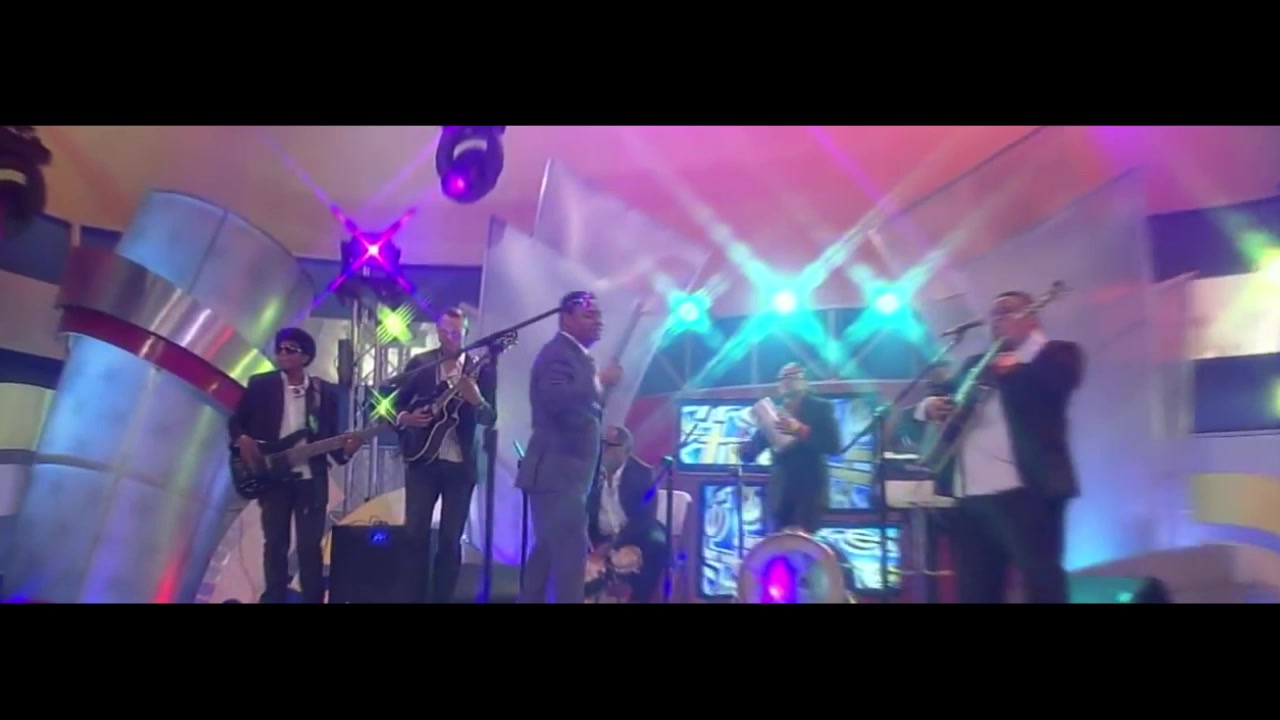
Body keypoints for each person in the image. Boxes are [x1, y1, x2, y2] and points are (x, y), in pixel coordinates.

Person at [914, 290, 1084, 603]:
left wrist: (1021, 355)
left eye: (1007, 311)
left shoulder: (1056, 354)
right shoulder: (976, 364)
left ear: (1031, 318)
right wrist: (930, 406)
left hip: (1025, 493)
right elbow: (940, 392)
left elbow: (1057, 382)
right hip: (971, 496)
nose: (998, 319)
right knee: (976, 590)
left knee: (1042, 583)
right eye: (994, 314)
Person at [228, 327, 363, 604]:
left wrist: (347, 452)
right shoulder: (261, 384)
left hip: (311, 479)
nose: (282, 354)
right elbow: (236, 421)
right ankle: (274, 598)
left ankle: (313, 598)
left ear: (305, 357)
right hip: (273, 475)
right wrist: (242, 439)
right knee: (275, 544)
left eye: (290, 350)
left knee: (309, 546)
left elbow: (331, 440)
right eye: (280, 349)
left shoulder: (323, 392)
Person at [516, 291, 623, 603]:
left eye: (599, 316)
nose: (598, 322)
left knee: (547, 555)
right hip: (557, 475)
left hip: (567, 478)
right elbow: (557, 399)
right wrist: (598, 383)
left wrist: (601, 388)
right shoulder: (557, 354)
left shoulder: (578, 357)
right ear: (566, 319)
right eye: (589, 315)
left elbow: (582, 410)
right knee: (568, 563)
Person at [394, 306, 497, 603]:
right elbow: (393, 404)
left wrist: (477, 400)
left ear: (466, 333)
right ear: (437, 332)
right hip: (422, 461)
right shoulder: (421, 364)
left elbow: (490, 417)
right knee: (415, 535)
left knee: (451, 540)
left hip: (460, 465)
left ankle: (443, 598)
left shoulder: (481, 369)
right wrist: (406, 418)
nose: (451, 338)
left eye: (457, 333)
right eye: (446, 332)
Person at [739, 363, 840, 533]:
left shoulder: (821, 408)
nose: (787, 382)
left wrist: (800, 430)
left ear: (805, 382)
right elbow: (755, 447)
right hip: (780, 493)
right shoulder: (774, 411)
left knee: (802, 544)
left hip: (809, 492)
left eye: (793, 377)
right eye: (783, 378)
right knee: (779, 543)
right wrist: (745, 449)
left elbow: (833, 444)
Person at [585, 425, 669, 603]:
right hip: (600, 538)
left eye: (609, 445)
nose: (602, 450)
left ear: (624, 450)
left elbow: (643, 520)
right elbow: (586, 516)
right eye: (601, 444)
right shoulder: (592, 475)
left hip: (634, 537)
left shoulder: (641, 474)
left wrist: (612, 544)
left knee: (656, 543)